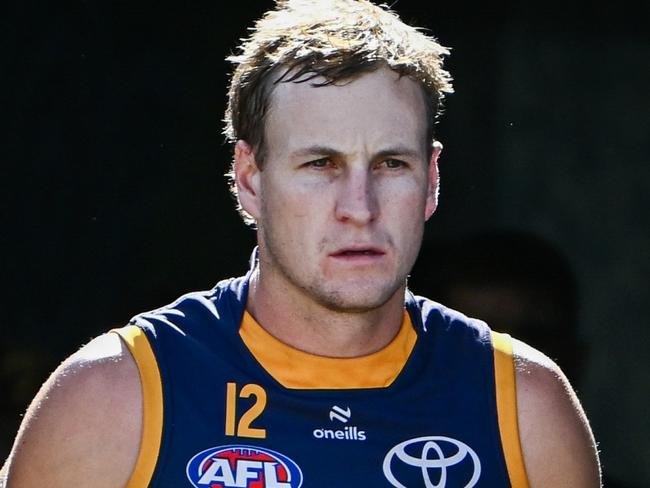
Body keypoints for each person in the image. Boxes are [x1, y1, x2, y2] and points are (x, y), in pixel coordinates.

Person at [1, 1, 601, 487]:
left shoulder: (524, 410)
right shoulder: (110, 398)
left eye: (391, 164)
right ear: (248, 179)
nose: (359, 208)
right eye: (320, 164)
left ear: (432, 180)